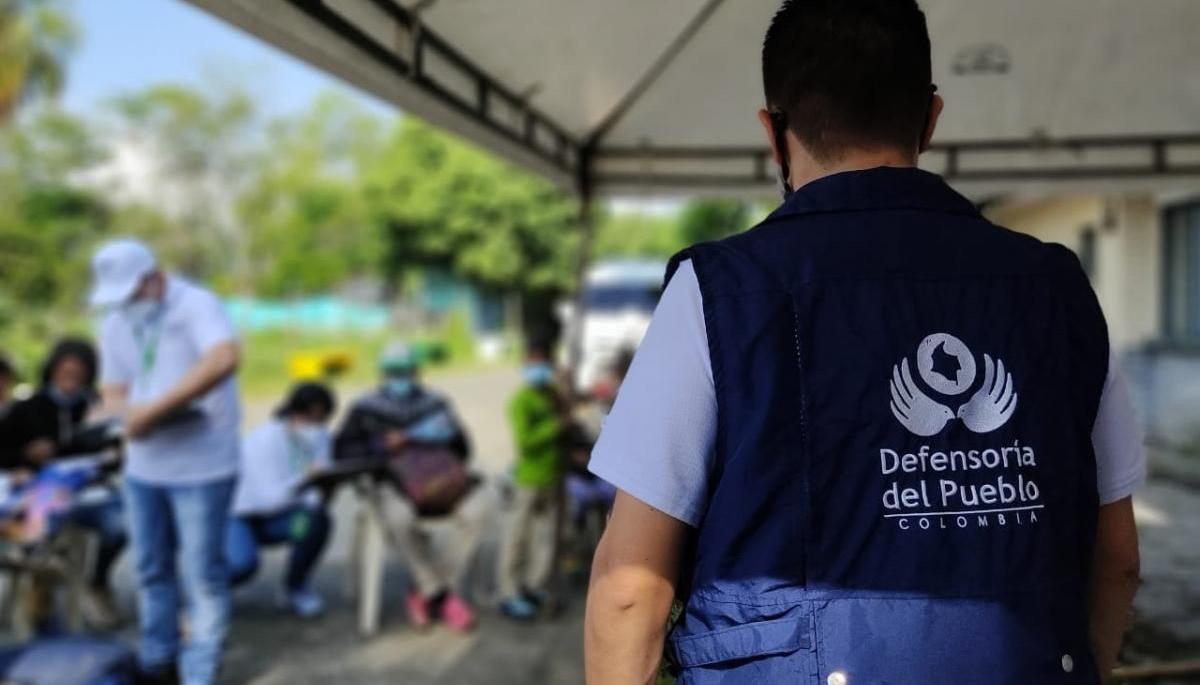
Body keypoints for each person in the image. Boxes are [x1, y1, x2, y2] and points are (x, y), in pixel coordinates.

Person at [584, 2, 1145, 684]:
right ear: (931, 118)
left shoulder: (719, 291)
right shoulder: (1060, 288)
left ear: (773, 131)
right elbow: (1118, 558)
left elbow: (628, 587)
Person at [92, 239, 241, 685]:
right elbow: (115, 389)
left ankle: (200, 670)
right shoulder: (116, 322)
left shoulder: (197, 305)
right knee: (151, 569)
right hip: (144, 469)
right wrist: (124, 417)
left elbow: (224, 358)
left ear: (154, 279)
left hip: (203, 466)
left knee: (201, 576)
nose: (125, 306)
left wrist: (156, 409)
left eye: (131, 294)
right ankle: (158, 663)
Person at [334, 342, 487, 632]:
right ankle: (441, 595)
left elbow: (463, 449)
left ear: (417, 371)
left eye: (405, 372)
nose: (400, 378)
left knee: (479, 511)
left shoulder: (436, 404)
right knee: (398, 519)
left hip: (440, 485)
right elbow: (343, 451)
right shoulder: (365, 408)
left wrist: (439, 436)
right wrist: (381, 445)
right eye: (393, 372)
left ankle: (425, 591)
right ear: (382, 374)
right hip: (392, 486)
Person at [0, 338, 128, 629]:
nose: (70, 379)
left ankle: (97, 582)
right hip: (41, 491)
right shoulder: (27, 408)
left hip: (89, 491)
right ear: (52, 370)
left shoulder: (96, 406)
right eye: (64, 371)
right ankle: (39, 580)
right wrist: (26, 456)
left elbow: (117, 456)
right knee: (38, 524)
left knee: (122, 523)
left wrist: (105, 457)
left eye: (78, 373)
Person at [225, 383, 336, 618]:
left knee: (315, 522)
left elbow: (316, 491)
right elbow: (268, 499)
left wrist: (322, 485)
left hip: (280, 519)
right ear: (294, 412)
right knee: (242, 565)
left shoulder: (321, 437)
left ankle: (295, 587)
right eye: (310, 418)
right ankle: (204, 594)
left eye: (321, 419)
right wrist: (305, 481)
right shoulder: (265, 440)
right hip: (240, 516)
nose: (315, 426)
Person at [497, 341, 567, 621]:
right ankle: (508, 592)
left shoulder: (552, 395)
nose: (538, 370)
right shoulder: (520, 401)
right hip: (528, 479)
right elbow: (525, 441)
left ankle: (535, 586)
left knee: (546, 539)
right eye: (533, 364)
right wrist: (556, 425)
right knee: (517, 539)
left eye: (543, 364)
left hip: (553, 476)